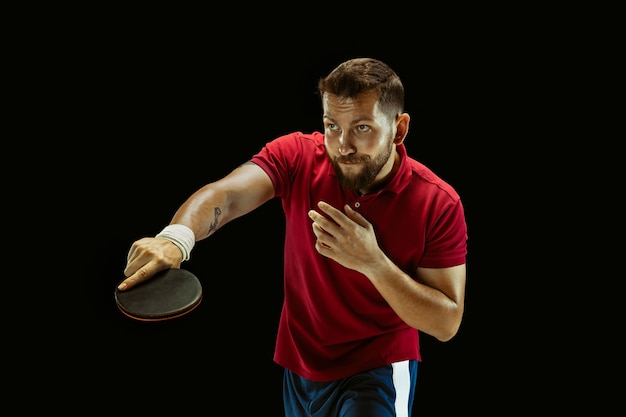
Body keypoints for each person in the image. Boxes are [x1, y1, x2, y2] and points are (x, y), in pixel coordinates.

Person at [118, 57, 468, 417]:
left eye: (362, 128)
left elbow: (446, 323)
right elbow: (227, 194)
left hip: (376, 369)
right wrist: (176, 238)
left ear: (399, 129)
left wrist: (373, 263)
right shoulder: (299, 156)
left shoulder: (437, 202)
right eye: (332, 125)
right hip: (300, 367)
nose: (343, 145)